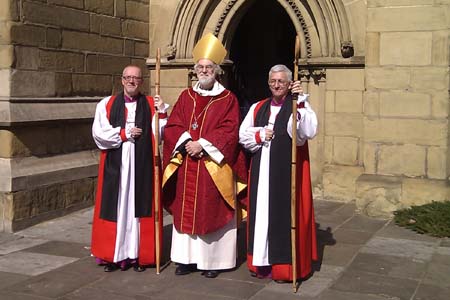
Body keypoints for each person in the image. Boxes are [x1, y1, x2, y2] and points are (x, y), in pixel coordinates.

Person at [162, 33, 247, 279]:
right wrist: (188, 141)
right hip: (188, 164)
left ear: (217, 71)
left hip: (213, 167)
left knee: (213, 210)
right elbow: (174, 125)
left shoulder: (228, 99)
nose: (204, 70)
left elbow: (231, 131)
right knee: (186, 209)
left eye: (209, 67)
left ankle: (213, 261)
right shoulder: (185, 96)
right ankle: (186, 260)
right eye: (200, 67)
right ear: (195, 70)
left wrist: (203, 144)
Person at [239, 64, 318, 283]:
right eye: (273, 81)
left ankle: (283, 267)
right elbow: (242, 135)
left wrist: (300, 103)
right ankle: (262, 263)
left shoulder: (297, 105)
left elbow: (305, 133)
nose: (276, 85)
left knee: (283, 217)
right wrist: (259, 134)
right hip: (261, 175)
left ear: (289, 83)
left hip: (285, 175)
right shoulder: (257, 107)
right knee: (262, 217)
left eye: (281, 81)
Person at [91, 65, 168, 272]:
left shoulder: (151, 104)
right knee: (116, 208)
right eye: (128, 77)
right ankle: (113, 256)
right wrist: (124, 133)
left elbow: (162, 133)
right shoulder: (106, 104)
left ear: (141, 82)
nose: (131, 81)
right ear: (122, 80)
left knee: (138, 209)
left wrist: (162, 113)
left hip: (141, 168)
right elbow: (99, 134)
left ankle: (137, 255)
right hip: (116, 166)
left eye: (136, 78)